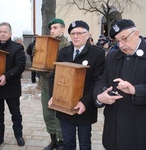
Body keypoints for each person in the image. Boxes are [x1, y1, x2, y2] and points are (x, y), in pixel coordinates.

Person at [49, 20, 105, 150]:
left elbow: (97, 81)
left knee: (85, 143)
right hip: (64, 106)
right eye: (73, 33)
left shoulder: (97, 53)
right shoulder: (64, 52)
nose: (75, 36)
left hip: (84, 107)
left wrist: (85, 102)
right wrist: (54, 96)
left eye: (79, 33)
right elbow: (54, 77)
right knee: (68, 142)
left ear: (88, 34)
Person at [93, 19, 146, 150]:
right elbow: (102, 80)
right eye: (117, 41)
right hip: (113, 133)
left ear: (136, 34)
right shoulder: (112, 56)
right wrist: (100, 97)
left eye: (124, 39)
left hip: (139, 133)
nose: (121, 45)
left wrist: (135, 90)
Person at [38, 18, 70, 150]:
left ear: (62, 29)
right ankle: (53, 141)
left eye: (56, 28)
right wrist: (37, 56)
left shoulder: (67, 47)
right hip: (46, 85)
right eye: (51, 28)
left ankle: (62, 142)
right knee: (47, 114)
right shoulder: (46, 43)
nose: (52, 30)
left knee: (59, 116)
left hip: (60, 87)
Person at [0, 22, 26, 149]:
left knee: (15, 114)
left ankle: (18, 135)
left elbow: (20, 66)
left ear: (10, 33)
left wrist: (6, 76)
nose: (2, 34)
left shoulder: (17, 48)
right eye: (0, 31)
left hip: (11, 87)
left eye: (5, 32)